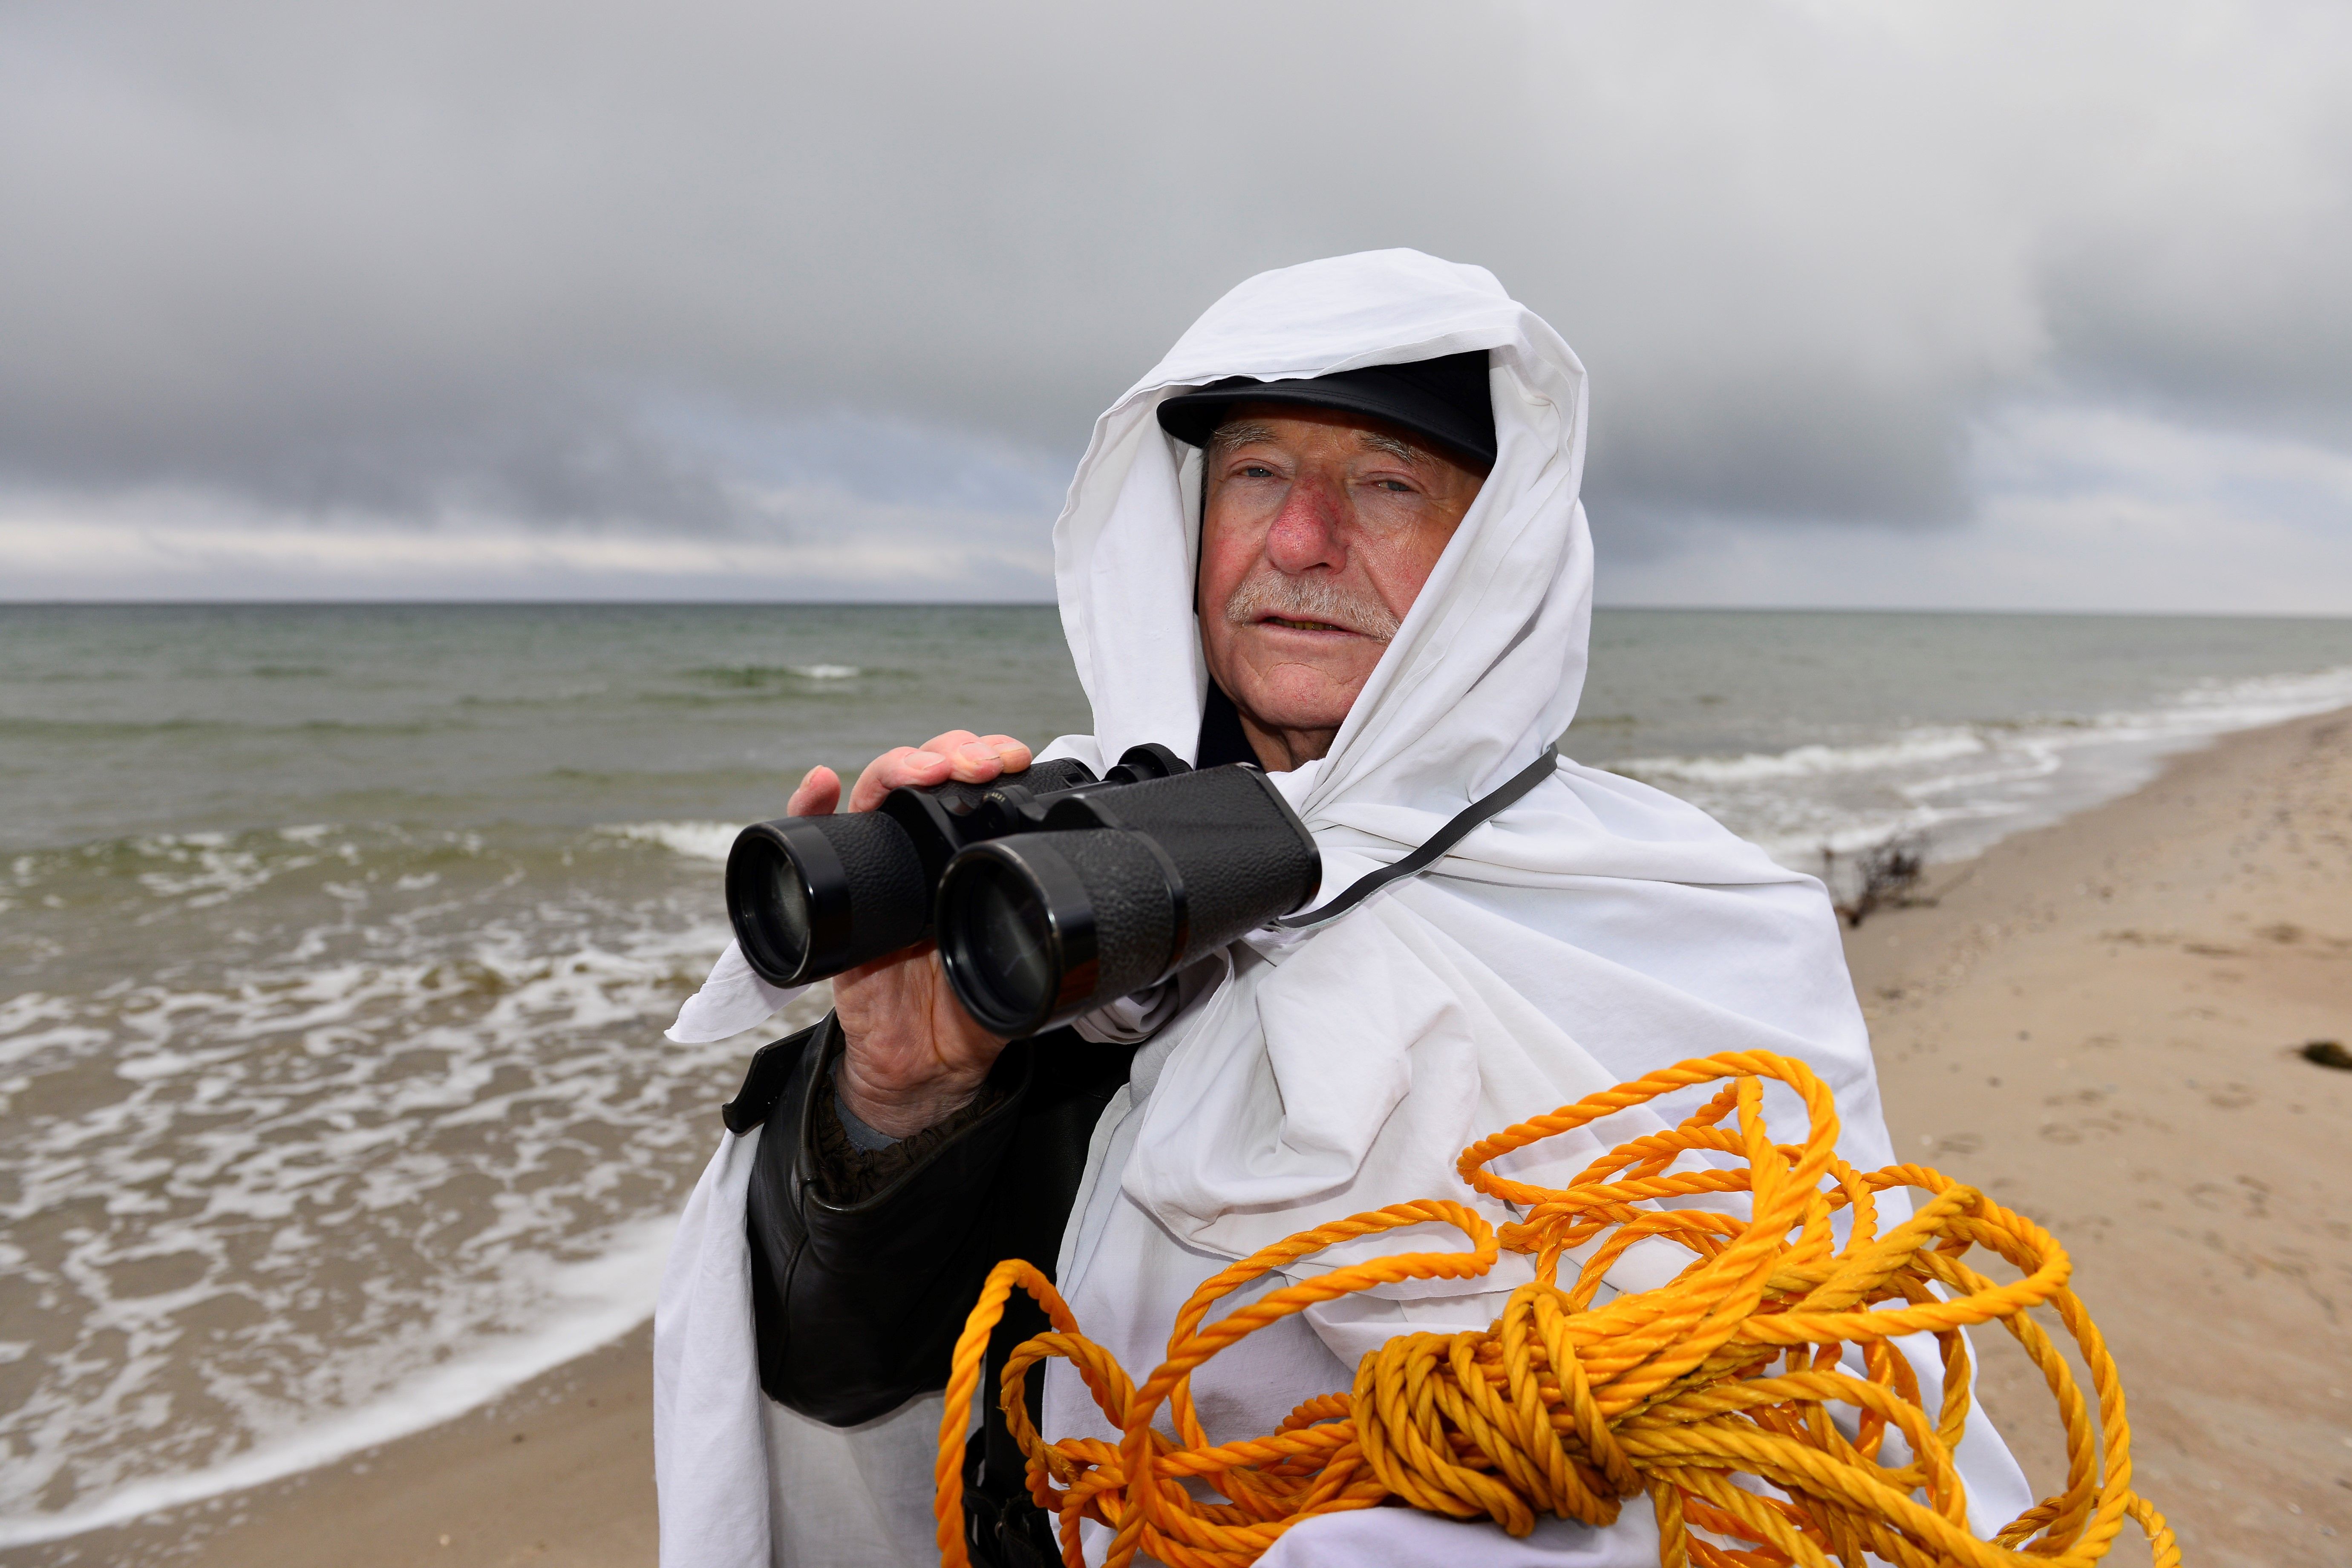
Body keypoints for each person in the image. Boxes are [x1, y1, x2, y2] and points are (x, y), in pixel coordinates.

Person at [653, 250, 2031, 1568]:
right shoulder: (1055, 896)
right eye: (1255, 472)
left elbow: (1833, 1420)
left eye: (1386, 483)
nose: (1300, 539)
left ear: (1499, 554)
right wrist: (894, 1107)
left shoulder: (1693, 923)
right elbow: (854, 1399)